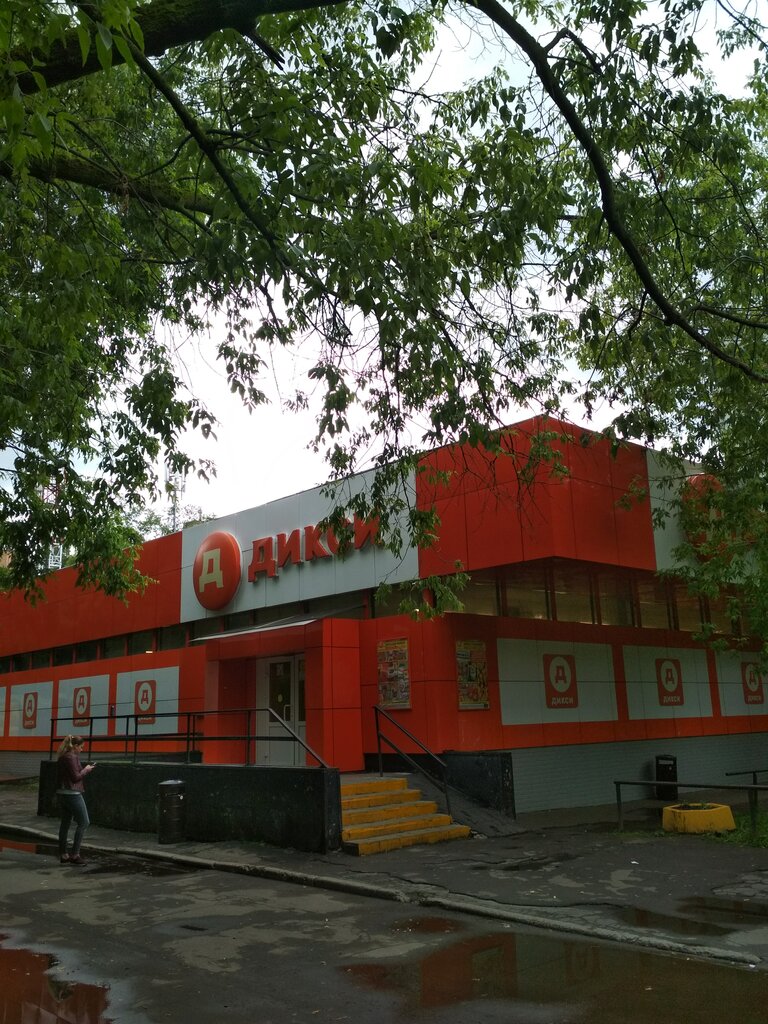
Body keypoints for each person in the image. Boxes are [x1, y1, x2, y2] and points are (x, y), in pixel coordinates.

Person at [56, 735, 96, 865]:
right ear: (75, 746)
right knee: (84, 822)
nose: (82, 750)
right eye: (81, 747)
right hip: (72, 794)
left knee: (65, 823)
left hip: (62, 793)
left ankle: (63, 854)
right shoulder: (71, 757)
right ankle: (75, 855)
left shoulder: (63, 756)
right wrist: (86, 770)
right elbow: (75, 777)